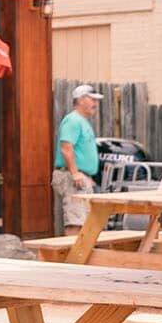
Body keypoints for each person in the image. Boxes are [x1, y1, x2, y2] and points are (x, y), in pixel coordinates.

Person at [54, 84, 103, 234]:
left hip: (81, 177)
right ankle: (71, 257)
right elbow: (66, 147)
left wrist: (87, 176)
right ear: (80, 100)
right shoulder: (73, 120)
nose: (96, 103)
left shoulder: (82, 121)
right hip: (72, 177)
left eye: (97, 100)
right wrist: (75, 173)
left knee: (84, 220)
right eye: (92, 99)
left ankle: (79, 256)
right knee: (75, 221)